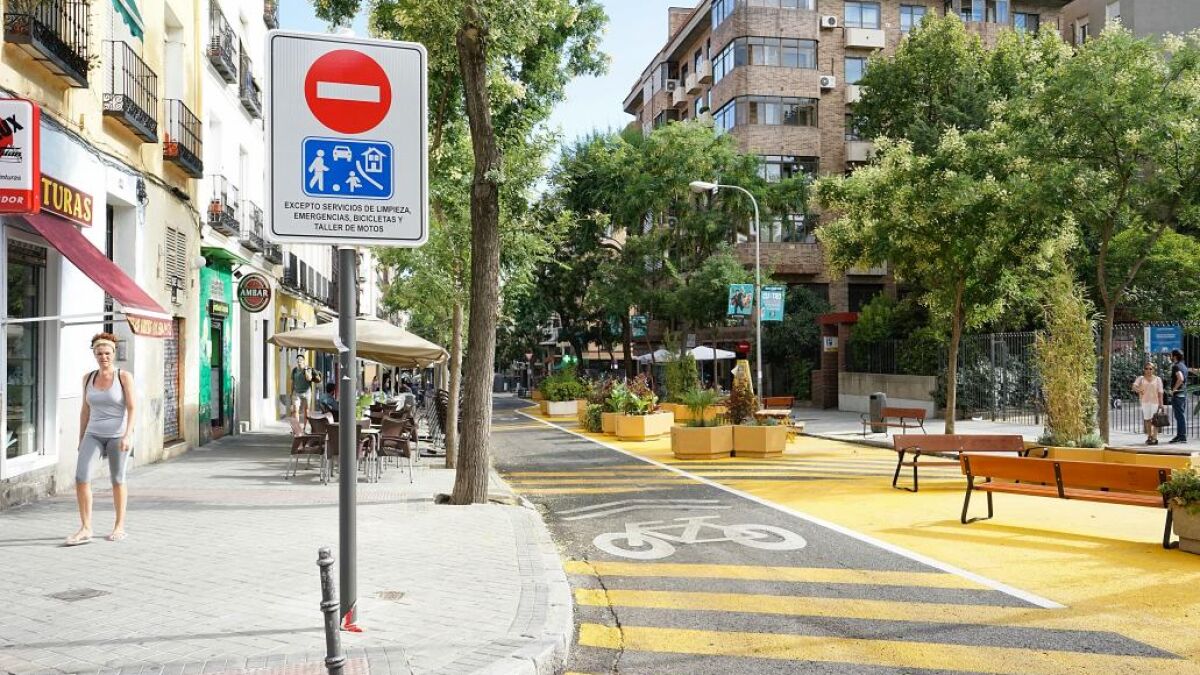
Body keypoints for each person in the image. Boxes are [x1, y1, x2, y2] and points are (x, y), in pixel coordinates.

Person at [67, 333, 136, 545]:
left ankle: (119, 526)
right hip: (93, 434)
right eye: (99, 353)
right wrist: (81, 438)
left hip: (118, 435)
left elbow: (132, 408)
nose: (103, 357)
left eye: (107, 353)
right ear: (94, 354)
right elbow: (85, 410)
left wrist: (128, 435)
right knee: (81, 478)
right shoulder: (87, 378)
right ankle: (86, 528)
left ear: (114, 353)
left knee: (117, 479)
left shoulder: (123, 377)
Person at [1132, 363, 1165, 445]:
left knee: (1155, 420)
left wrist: (1161, 404)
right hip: (1145, 402)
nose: (1148, 370)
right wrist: (1139, 390)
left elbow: (1160, 392)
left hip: (1155, 402)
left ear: (1153, 370)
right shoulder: (1141, 378)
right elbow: (1134, 386)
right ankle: (1149, 436)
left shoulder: (1157, 379)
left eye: (1150, 369)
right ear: (1144, 369)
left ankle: (1155, 437)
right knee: (1147, 420)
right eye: (1146, 368)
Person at [1169, 349, 1189, 443]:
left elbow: (1180, 379)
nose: (1170, 357)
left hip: (1178, 394)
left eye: (1171, 355)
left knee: (1180, 416)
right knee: (1180, 416)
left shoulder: (1176, 366)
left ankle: (1182, 436)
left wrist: (1174, 389)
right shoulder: (1183, 366)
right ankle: (1180, 435)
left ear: (1174, 356)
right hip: (1183, 394)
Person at [290, 355, 314, 421]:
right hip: (296, 392)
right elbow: (292, 382)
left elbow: (309, 379)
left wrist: (305, 370)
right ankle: (297, 426)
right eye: (298, 359)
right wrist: (291, 392)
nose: (299, 361)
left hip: (307, 392)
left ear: (303, 361)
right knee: (296, 410)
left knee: (306, 410)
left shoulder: (308, 369)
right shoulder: (294, 370)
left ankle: (304, 426)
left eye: (300, 359)